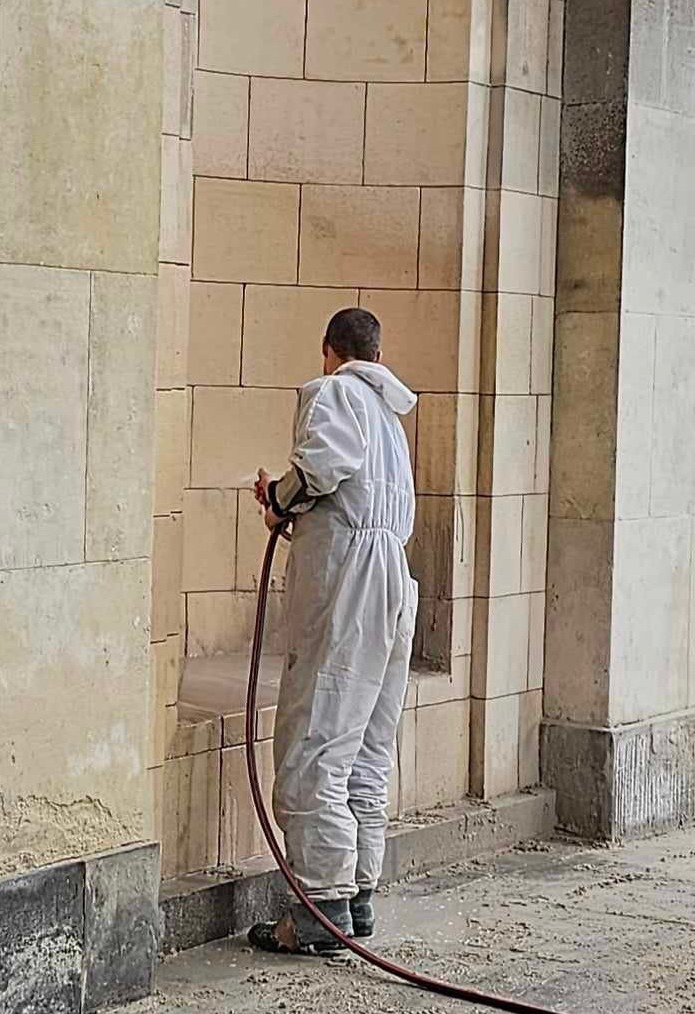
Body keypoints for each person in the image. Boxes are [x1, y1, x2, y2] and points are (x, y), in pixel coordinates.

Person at [247, 307, 419, 955]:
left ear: (329, 350)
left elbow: (321, 469)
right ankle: (358, 894)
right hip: (392, 578)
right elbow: (351, 502)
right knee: (367, 744)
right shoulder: (389, 420)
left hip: (350, 585)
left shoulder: (334, 391)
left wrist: (279, 499)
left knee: (316, 739)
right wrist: (294, 510)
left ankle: (320, 911)